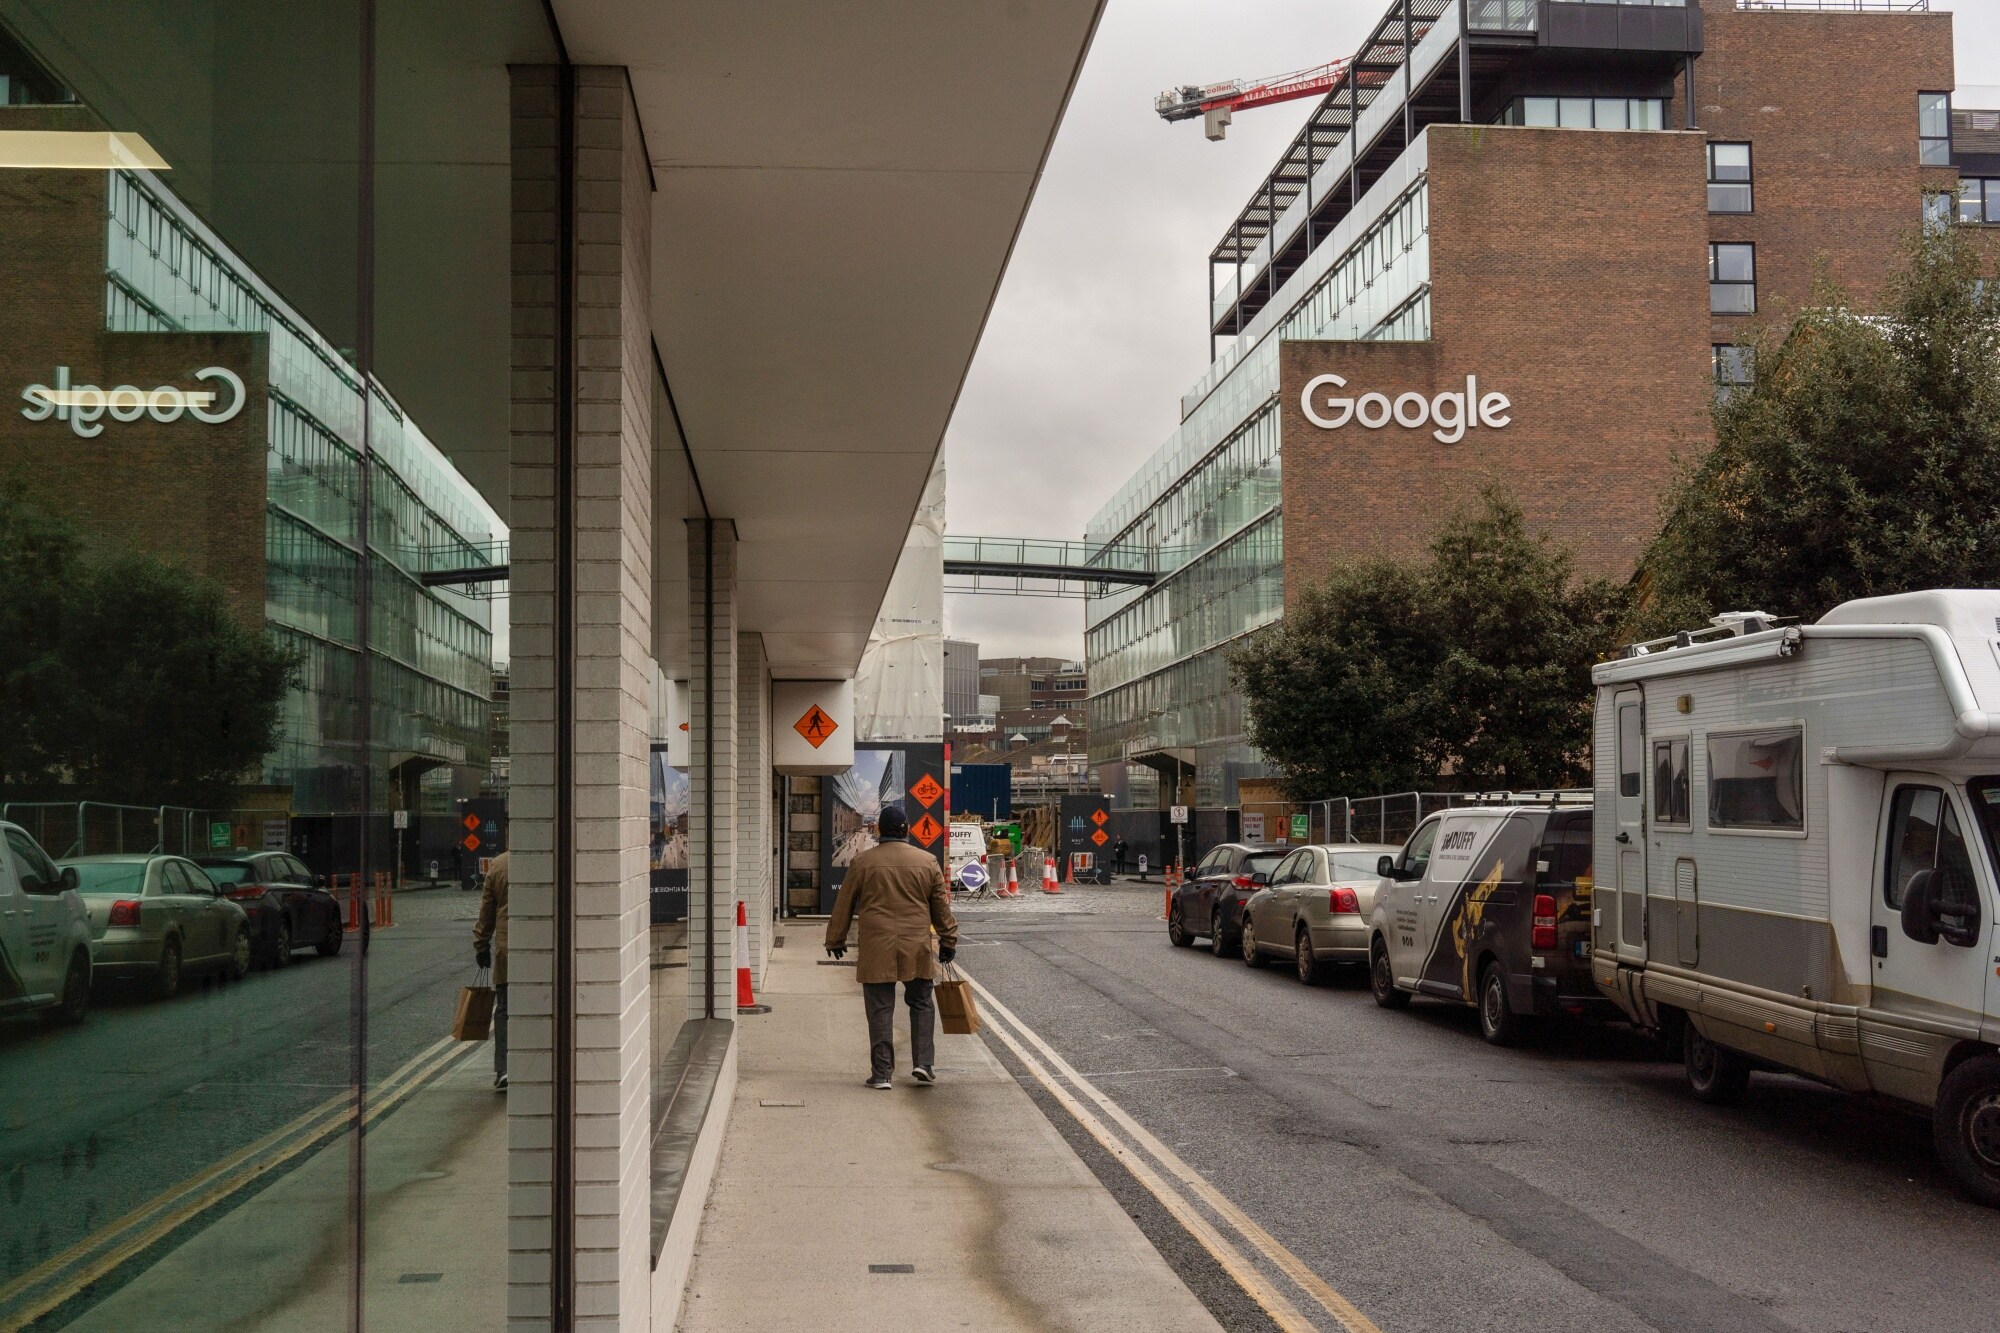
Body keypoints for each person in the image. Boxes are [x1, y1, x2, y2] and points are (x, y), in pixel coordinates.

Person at [825, 805, 958, 1089]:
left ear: (879, 830)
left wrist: (835, 939)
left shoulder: (863, 863)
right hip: (916, 945)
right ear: (907, 829)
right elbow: (940, 908)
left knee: (880, 1009)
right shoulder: (927, 861)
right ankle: (924, 1064)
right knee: (921, 1003)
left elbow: (844, 904)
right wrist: (948, 940)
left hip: (877, 946)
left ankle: (882, 1074)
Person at [472, 851, 510, 1091]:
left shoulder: (498, 865)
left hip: (507, 950)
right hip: (541, 949)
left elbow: (486, 911)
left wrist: (481, 944)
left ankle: (504, 1069)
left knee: (505, 1010)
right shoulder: (543, 860)